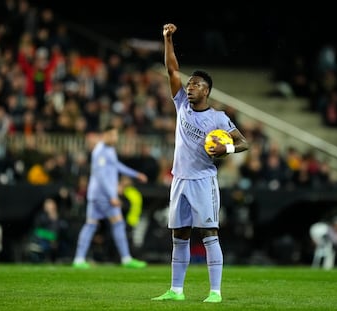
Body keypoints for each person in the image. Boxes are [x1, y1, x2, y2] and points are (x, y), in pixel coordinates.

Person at [151, 23, 249, 303]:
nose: (190, 87)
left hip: (204, 180)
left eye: (196, 84)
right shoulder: (180, 103)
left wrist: (225, 147)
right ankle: (176, 291)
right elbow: (171, 70)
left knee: (209, 234)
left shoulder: (218, 119)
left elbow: (244, 142)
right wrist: (167, 40)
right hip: (179, 178)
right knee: (179, 236)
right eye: (190, 83)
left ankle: (215, 292)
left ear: (207, 91)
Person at [72, 125, 148, 268]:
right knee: (118, 224)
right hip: (102, 195)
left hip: (96, 194)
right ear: (104, 135)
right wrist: (112, 195)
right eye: (111, 135)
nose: (114, 138)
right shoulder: (100, 151)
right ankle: (126, 259)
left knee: (90, 225)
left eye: (115, 135)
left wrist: (135, 174)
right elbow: (101, 176)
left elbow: (117, 166)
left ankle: (78, 259)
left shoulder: (109, 150)